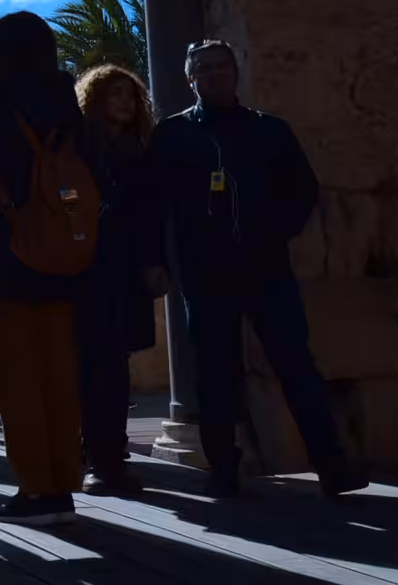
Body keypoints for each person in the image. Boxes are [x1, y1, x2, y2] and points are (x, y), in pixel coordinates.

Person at [154, 40, 364, 498]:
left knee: (295, 364)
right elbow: (154, 204)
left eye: (220, 66)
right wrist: (159, 261)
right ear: (191, 79)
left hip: (266, 268)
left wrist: (275, 232)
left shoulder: (271, 131)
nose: (212, 74)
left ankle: (331, 465)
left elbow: (302, 189)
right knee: (213, 373)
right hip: (205, 273)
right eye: (203, 68)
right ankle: (224, 470)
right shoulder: (172, 136)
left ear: (236, 72)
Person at [0, 11, 91, 526]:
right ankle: (65, 483)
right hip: (62, 255)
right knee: (59, 373)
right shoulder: (66, 103)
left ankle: (36, 488)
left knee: (16, 376)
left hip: (8, 256)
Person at [74, 65, 168, 494]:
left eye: (130, 95)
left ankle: (107, 456)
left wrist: (153, 262)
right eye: (114, 94)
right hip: (84, 269)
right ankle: (94, 456)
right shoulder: (79, 147)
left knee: (112, 367)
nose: (125, 102)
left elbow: (150, 213)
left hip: (125, 268)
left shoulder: (142, 149)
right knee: (91, 366)